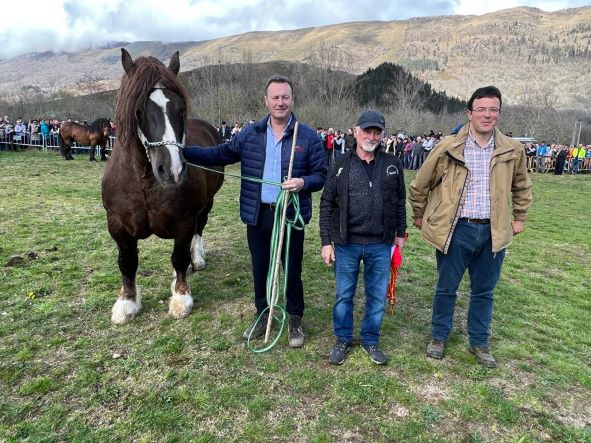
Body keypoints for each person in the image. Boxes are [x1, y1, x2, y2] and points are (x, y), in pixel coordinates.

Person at [183, 75, 326, 348]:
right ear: (266, 101)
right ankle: (263, 314)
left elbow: (321, 174)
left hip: (289, 215)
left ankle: (295, 319)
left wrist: (303, 182)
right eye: (275, 97)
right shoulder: (252, 133)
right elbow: (221, 154)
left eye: (285, 97)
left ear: (292, 99)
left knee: (292, 270)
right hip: (257, 214)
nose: (280, 102)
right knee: (260, 268)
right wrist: (185, 153)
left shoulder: (306, 136)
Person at [409, 86, 532, 368]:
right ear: (470, 113)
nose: (487, 115)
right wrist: (419, 215)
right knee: (446, 287)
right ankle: (438, 337)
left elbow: (522, 187)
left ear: (499, 113)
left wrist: (520, 217)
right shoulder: (448, 147)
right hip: (456, 229)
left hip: (493, 231)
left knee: (484, 291)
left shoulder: (512, 150)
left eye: (493, 109)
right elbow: (420, 185)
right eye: (481, 109)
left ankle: (479, 341)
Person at [319, 110, 407, 365]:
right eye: (367, 131)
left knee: (377, 296)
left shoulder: (392, 165)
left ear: (382, 135)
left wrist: (400, 233)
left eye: (377, 132)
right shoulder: (339, 164)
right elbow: (326, 204)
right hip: (347, 243)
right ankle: (342, 339)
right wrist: (326, 242)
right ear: (355, 132)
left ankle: (370, 340)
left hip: (381, 243)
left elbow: (400, 202)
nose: (372, 136)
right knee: (344, 295)